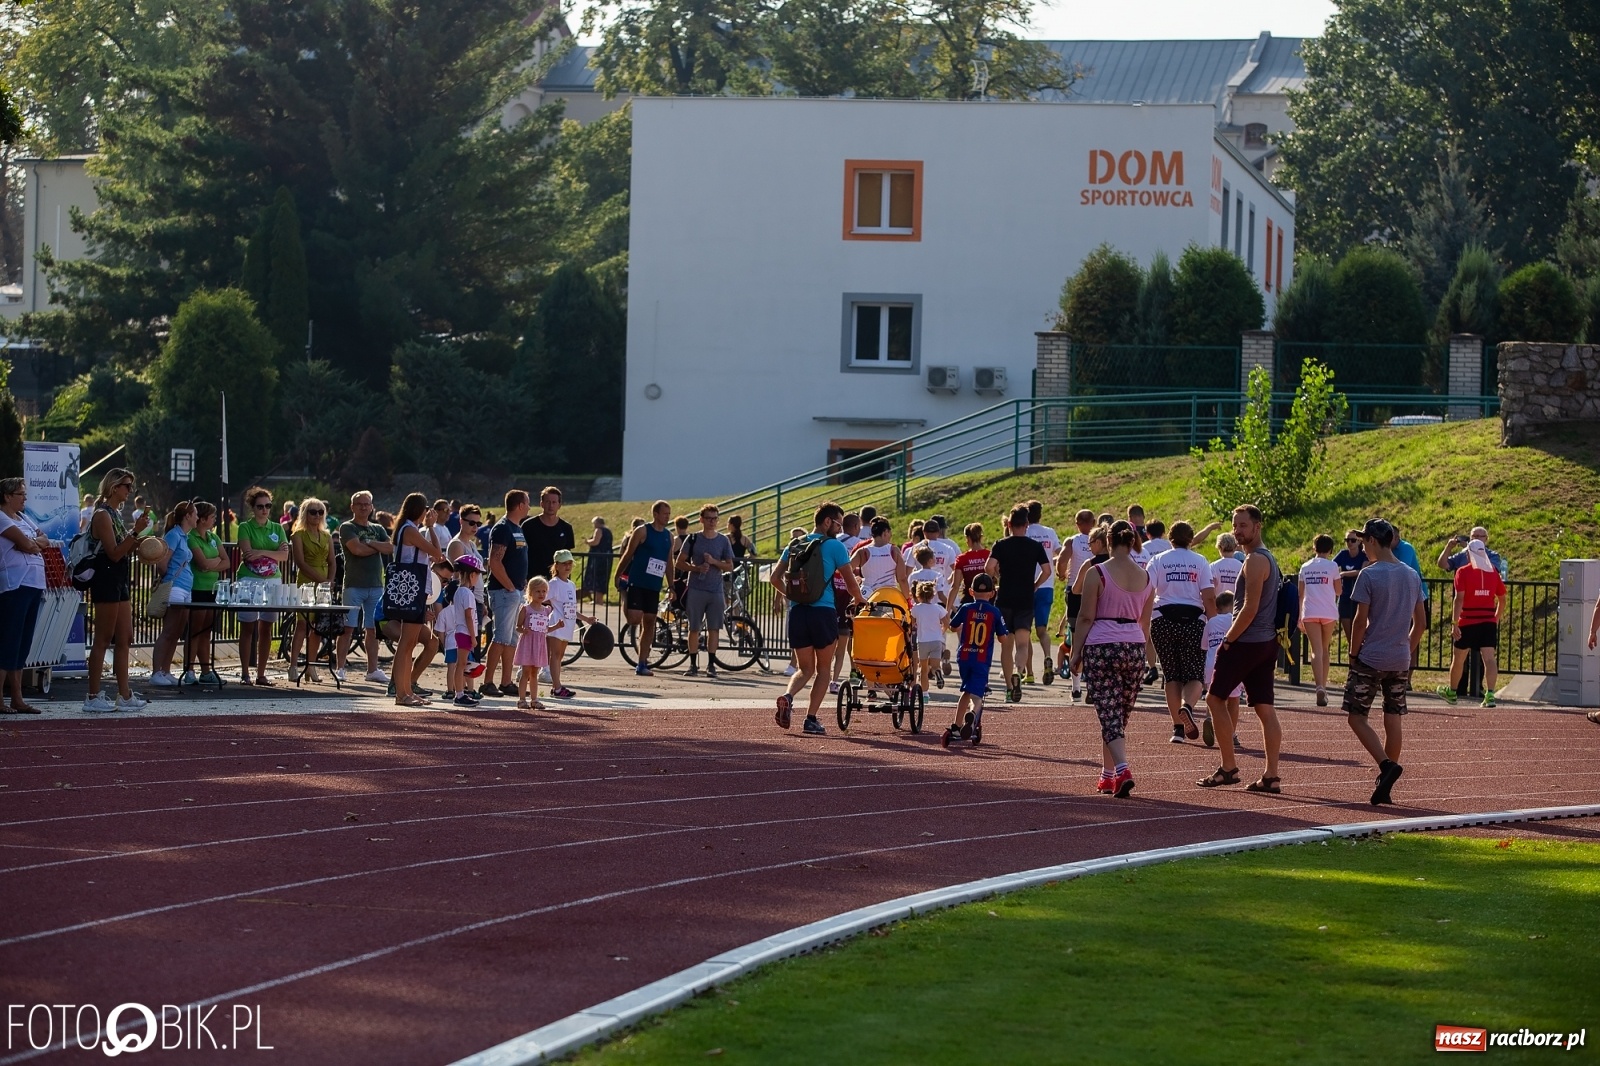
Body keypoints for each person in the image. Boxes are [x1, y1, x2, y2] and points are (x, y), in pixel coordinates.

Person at [1198, 504, 1284, 794]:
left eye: (1243, 525)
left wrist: (1228, 639)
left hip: (1247, 642)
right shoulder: (1264, 558)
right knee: (1265, 708)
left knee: (1214, 699)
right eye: (1235, 525)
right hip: (1265, 642)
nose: (1237, 531)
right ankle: (1270, 776)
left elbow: (1250, 608)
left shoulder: (1256, 560)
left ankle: (1228, 767)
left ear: (1257, 526)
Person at [1070, 520, 1155, 798]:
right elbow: (1145, 623)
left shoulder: (1097, 573)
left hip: (1102, 645)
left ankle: (1122, 769)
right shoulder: (1146, 577)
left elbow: (1085, 617)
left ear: (1108, 541)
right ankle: (1108, 775)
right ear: (1132, 542)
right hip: (1134, 647)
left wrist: (1076, 651)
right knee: (1117, 716)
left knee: (1109, 714)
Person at [1345, 519, 1426, 805]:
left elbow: (1359, 621)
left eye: (1363, 541)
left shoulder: (1369, 574)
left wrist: (1353, 654)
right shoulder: (1411, 575)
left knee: (1356, 716)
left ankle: (1385, 765)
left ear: (1372, 541)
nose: (1362, 547)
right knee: (1393, 716)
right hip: (1400, 658)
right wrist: (1405, 648)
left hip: (1371, 657)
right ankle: (1386, 784)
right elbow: (1420, 623)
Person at [771, 502, 862, 736]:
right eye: (838, 524)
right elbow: (851, 583)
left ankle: (788, 696)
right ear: (827, 521)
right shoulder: (834, 546)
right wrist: (860, 599)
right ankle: (810, 719)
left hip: (798, 612)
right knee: (823, 670)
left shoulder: (794, 544)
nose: (839, 530)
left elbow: (774, 578)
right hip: (823, 612)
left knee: (804, 668)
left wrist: (792, 595)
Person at [82, 469, 151, 711]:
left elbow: (123, 549)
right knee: (103, 638)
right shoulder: (102, 514)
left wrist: (141, 541)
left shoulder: (115, 514)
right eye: (126, 486)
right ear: (114, 487)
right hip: (106, 577)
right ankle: (92, 696)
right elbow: (112, 553)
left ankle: (125, 694)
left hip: (119, 577)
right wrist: (135, 532)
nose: (130, 490)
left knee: (125, 637)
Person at [1148, 521, 1215, 744]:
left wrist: (1144, 620)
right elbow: (1208, 596)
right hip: (1193, 620)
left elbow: (1148, 591)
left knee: (1171, 674)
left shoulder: (1158, 560)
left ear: (1170, 539)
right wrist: (1214, 622)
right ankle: (1187, 707)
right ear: (1191, 539)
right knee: (1195, 674)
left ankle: (1177, 729)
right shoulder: (1200, 561)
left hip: (1162, 620)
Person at [984, 505, 1050, 703]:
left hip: (1005, 599)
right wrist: (1035, 585)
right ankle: (1018, 671)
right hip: (1025, 600)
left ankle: (1008, 688)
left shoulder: (1001, 544)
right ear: (1027, 524)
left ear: (1009, 524)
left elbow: (988, 567)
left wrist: (997, 576)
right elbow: (1047, 570)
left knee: (1006, 646)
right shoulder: (1035, 546)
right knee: (1022, 644)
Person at [1437, 539, 1508, 707]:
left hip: (1467, 621)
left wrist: (1454, 623)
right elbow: (1502, 599)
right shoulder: (1493, 572)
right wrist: (1495, 618)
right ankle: (1490, 695)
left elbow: (1458, 599)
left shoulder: (1463, 572)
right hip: (1487, 621)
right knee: (1489, 659)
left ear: (1468, 554)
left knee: (1458, 659)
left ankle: (1452, 692)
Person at [941, 572, 1008, 746]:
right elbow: (1003, 638)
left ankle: (956, 725)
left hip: (964, 656)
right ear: (992, 593)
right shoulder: (994, 612)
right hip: (981, 658)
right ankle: (971, 715)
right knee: (977, 695)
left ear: (971, 591)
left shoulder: (966, 608)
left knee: (966, 690)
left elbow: (953, 626)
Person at [390, 492, 445, 707]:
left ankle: (407, 690)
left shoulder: (406, 528)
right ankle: (401, 693)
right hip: (412, 588)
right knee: (406, 643)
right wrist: (431, 527)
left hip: (414, 588)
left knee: (410, 642)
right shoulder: (410, 530)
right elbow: (438, 553)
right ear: (420, 511)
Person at [0, 477, 49, 713]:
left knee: (23, 643)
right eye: (20, 494)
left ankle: (17, 698)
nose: (24, 498)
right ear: (7, 496)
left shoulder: (24, 518)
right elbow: (26, 544)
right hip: (15, 585)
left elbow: (43, 540)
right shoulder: (2, 517)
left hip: (34, 584)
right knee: (9, 640)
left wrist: (32, 542)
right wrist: (31, 543)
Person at [335, 491, 394, 685]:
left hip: (376, 585)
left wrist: (369, 542)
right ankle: (340, 668)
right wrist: (376, 547)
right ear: (352, 507)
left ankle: (372, 669)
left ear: (371, 507)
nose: (363, 507)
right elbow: (356, 550)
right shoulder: (347, 527)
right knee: (347, 628)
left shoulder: (378, 528)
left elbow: (390, 547)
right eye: (359, 504)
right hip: (354, 584)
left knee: (373, 629)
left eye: (366, 504)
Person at [234, 486, 290, 686]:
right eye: (260, 506)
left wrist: (261, 552)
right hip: (249, 580)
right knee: (247, 627)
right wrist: (272, 553)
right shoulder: (245, 527)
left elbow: (284, 556)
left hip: (272, 580)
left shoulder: (277, 528)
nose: (264, 510)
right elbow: (248, 555)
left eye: (268, 506)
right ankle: (245, 673)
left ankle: (261, 674)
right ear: (253, 507)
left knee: (267, 627)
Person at [615, 500, 675, 677]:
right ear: (655, 514)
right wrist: (618, 574)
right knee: (634, 619)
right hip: (637, 581)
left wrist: (671, 585)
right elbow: (628, 553)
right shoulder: (642, 531)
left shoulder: (669, 536)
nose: (667, 517)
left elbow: (669, 562)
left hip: (653, 585)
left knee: (649, 622)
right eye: (664, 513)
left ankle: (642, 663)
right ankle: (624, 594)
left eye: (669, 514)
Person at [483, 491, 532, 697]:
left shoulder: (516, 528)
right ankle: (487, 682)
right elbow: (494, 561)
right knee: (501, 637)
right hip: (504, 591)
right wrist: (510, 587)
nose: (529, 507)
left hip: (514, 591)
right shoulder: (503, 528)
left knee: (511, 638)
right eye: (527, 503)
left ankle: (506, 681)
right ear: (520, 505)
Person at [678, 504, 735, 678]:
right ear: (701, 519)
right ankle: (692, 665)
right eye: (709, 518)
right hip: (696, 588)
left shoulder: (723, 540)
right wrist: (696, 568)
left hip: (715, 589)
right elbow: (679, 562)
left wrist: (714, 562)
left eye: (715, 518)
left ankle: (711, 664)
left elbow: (730, 566)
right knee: (694, 627)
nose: (712, 522)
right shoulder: (693, 539)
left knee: (714, 628)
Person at [147, 501, 198, 687]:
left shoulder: (184, 536)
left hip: (185, 588)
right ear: (187, 516)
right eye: (195, 514)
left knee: (177, 631)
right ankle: (156, 672)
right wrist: (168, 578)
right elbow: (162, 563)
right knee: (169, 630)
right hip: (175, 587)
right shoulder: (174, 535)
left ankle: (166, 670)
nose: (197, 517)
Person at [286, 497, 332, 684]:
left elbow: (332, 561)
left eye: (320, 512)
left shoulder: (327, 535)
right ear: (305, 514)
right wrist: (323, 580)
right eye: (313, 512)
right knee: (302, 624)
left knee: (318, 627)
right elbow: (300, 562)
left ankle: (311, 665)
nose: (317, 515)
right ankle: (293, 666)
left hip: (324, 584)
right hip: (306, 581)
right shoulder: (298, 535)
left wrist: (329, 581)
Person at [1055, 509, 1098, 695]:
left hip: (1074, 591)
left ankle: (1076, 686)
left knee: (1075, 637)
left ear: (1077, 524)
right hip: (1095, 591)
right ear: (1094, 523)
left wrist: (1061, 573)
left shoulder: (1072, 541)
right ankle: (1092, 682)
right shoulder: (1100, 542)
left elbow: (1062, 560)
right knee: (1093, 635)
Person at [183, 502, 225, 686]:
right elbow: (202, 563)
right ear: (202, 519)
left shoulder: (213, 537)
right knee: (195, 630)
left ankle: (206, 671)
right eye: (212, 516)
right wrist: (215, 561)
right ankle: (189, 670)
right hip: (198, 588)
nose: (215, 519)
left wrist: (211, 563)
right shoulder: (191, 537)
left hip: (213, 589)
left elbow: (227, 561)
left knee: (206, 631)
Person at [1298, 534, 1341, 707]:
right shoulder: (1333, 566)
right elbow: (1339, 591)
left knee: (1315, 650)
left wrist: (1299, 616)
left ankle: (1319, 687)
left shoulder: (1305, 566)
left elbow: (1300, 593)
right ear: (1330, 550)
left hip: (1310, 611)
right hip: (1328, 611)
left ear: (1314, 548)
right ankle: (1324, 686)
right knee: (1324, 648)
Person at [1023, 500, 1063, 684]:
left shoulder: (1024, 532)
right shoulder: (1049, 532)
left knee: (1024, 630)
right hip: (1046, 585)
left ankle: (1029, 672)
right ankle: (1047, 656)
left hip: (1027, 585)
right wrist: (1053, 564)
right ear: (1040, 514)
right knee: (1042, 630)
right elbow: (1060, 553)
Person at [1202, 591, 1243, 748]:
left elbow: (1204, 646)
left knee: (1213, 697)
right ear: (1233, 605)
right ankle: (1231, 734)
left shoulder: (1210, 622)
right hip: (1231, 663)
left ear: (1217, 608)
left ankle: (1209, 718)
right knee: (1233, 699)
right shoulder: (1235, 620)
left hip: (1211, 663)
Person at [547, 549, 589, 699]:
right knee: (555, 655)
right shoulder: (554, 583)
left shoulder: (571, 584)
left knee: (560, 656)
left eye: (570, 563)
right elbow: (541, 599)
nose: (567, 566)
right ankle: (557, 687)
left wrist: (587, 619)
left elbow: (572, 609)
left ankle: (556, 686)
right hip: (557, 624)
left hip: (568, 624)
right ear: (557, 565)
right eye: (564, 563)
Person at [444, 556, 483, 708]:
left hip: (461, 631)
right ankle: (459, 694)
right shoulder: (467, 593)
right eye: (478, 575)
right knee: (461, 664)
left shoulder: (459, 591)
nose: (477, 579)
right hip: (465, 632)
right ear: (472, 575)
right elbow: (468, 616)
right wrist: (473, 636)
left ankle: (460, 692)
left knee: (461, 664)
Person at [522, 486, 575, 587]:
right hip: (533, 580)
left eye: (554, 502)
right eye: (547, 502)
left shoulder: (566, 528)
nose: (551, 505)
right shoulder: (528, 526)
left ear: (559, 505)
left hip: (557, 581)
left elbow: (567, 556)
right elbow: (521, 553)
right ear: (541, 504)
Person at [514, 576, 552, 710]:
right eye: (538, 591)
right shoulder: (526, 609)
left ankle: (534, 699)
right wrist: (523, 630)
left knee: (535, 673)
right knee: (525, 672)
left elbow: (546, 629)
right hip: (528, 644)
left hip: (539, 645)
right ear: (530, 592)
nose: (541, 594)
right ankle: (521, 699)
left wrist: (557, 626)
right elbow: (518, 626)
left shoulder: (546, 610)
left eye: (544, 591)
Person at [851, 517, 911, 600]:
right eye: (890, 533)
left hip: (868, 595)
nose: (891, 536)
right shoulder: (894, 551)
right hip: (889, 595)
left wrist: (855, 581)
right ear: (885, 532)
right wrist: (907, 599)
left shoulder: (862, 552)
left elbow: (846, 570)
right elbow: (902, 579)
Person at [911, 581, 948, 692]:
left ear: (918, 595)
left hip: (923, 642)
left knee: (924, 669)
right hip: (936, 641)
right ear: (932, 595)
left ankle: (925, 693)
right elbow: (946, 623)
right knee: (935, 665)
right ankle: (937, 672)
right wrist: (942, 631)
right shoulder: (938, 608)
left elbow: (912, 624)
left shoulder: (916, 609)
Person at [1334, 529, 1368, 645]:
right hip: (1345, 596)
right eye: (1347, 540)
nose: (1349, 543)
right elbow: (1332, 566)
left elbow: (1362, 571)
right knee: (1350, 636)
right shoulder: (1343, 554)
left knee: (1360, 632)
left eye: (1353, 540)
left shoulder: (1364, 555)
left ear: (1359, 542)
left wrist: (1344, 574)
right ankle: (1352, 654)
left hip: (1360, 597)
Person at [1437, 526, 1506, 579]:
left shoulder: (1493, 555)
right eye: (1474, 536)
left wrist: (1471, 551)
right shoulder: (1462, 554)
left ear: (1486, 538)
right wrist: (1448, 547)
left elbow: (1490, 570)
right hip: (1463, 592)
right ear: (1470, 538)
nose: (1477, 538)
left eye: (1480, 536)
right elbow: (1442, 565)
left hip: (1484, 591)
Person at [950, 523, 990, 605]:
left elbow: (955, 587)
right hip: (989, 600)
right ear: (981, 537)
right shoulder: (990, 555)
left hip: (969, 601)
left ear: (968, 538)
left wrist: (948, 608)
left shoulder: (962, 559)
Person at [579, 517, 614, 607]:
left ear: (597, 523)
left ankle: (597, 600)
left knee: (595, 576)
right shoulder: (608, 531)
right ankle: (599, 599)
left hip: (598, 558)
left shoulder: (598, 530)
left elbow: (595, 542)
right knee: (603, 578)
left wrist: (587, 541)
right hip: (607, 557)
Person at [1209, 533, 1244, 601]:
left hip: (1218, 604)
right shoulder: (1242, 566)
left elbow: (1210, 589)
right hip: (1235, 604)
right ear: (1235, 547)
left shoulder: (1213, 566)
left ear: (1219, 547)